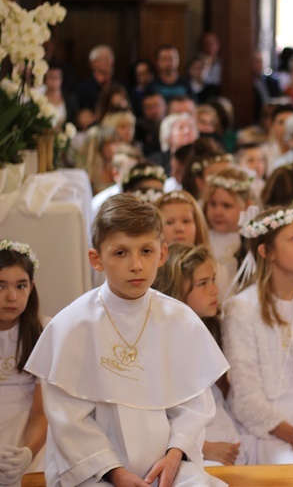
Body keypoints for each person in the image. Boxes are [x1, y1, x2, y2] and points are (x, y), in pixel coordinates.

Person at [25, 194, 228, 487]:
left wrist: (175, 454)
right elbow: (69, 421)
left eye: (146, 251)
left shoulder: (179, 320)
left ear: (161, 254)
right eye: (121, 253)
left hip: (166, 466)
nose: (136, 265)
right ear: (96, 259)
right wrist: (115, 472)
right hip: (94, 470)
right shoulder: (72, 326)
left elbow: (193, 406)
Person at [224, 207, 293, 464]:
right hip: (268, 429)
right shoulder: (241, 309)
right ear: (267, 251)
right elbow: (245, 397)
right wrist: (291, 433)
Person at [152, 243, 250, 466]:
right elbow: (159, 419)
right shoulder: (163, 343)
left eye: (213, 280)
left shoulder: (211, 328)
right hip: (189, 451)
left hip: (225, 437)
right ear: (177, 289)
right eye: (202, 284)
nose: (215, 290)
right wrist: (204, 448)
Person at [0, 241, 46, 486]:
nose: (11, 297)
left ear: (32, 287)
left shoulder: (44, 332)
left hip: (32, 429)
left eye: (21, 286)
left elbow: (41, 412)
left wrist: (28, 451)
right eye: (0, 285)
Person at [203, 167, 256, 300]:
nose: (217, 212)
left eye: (226, 206)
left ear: (247, 206)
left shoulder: (253, 239)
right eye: (213, 204)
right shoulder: (204, 237)